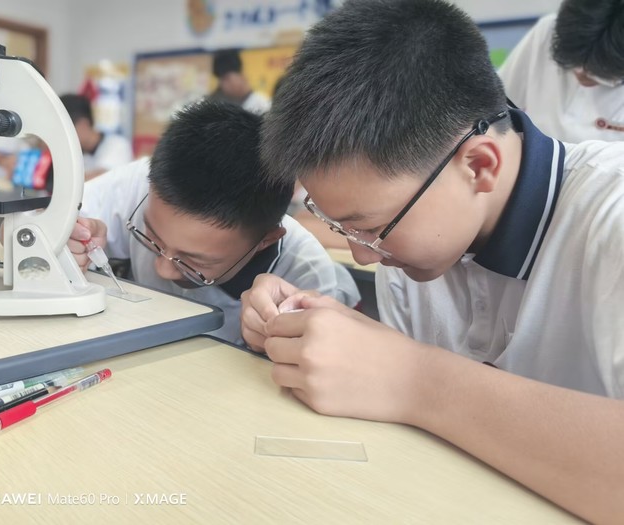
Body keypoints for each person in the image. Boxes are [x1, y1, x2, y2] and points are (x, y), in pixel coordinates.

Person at [240, 0, 624, 522]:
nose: (358, 252)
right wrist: (331, 339)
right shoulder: (419, 252)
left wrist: (413, 379)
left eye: (371, 228)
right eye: (340, 227)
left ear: (479, 166)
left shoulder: (611, 220)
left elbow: (415, 391)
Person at [70, 100, 359, 345]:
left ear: (265, 240)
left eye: (192, 262)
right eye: (152, 239)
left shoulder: (305, 278)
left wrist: (269, 349)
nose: (164, 268)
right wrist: (65, 242)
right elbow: (45, 226)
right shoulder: (143, 183)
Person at [499, 0, 624, 143]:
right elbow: (497, 105)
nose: (581, 75)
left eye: (600, 72)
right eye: (573, 64)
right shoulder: (549, 31)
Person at [59, 93, 133, 181]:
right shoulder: (75, 154)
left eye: (65, 130)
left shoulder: (118, 144)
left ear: (83, 124)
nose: (63, 137)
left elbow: (106, 178)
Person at [208, 49, 271, 115]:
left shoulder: (262, 104)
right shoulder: (226, 106)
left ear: (241, 76)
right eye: (221, 81)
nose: (223, 85)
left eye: (226, 78)